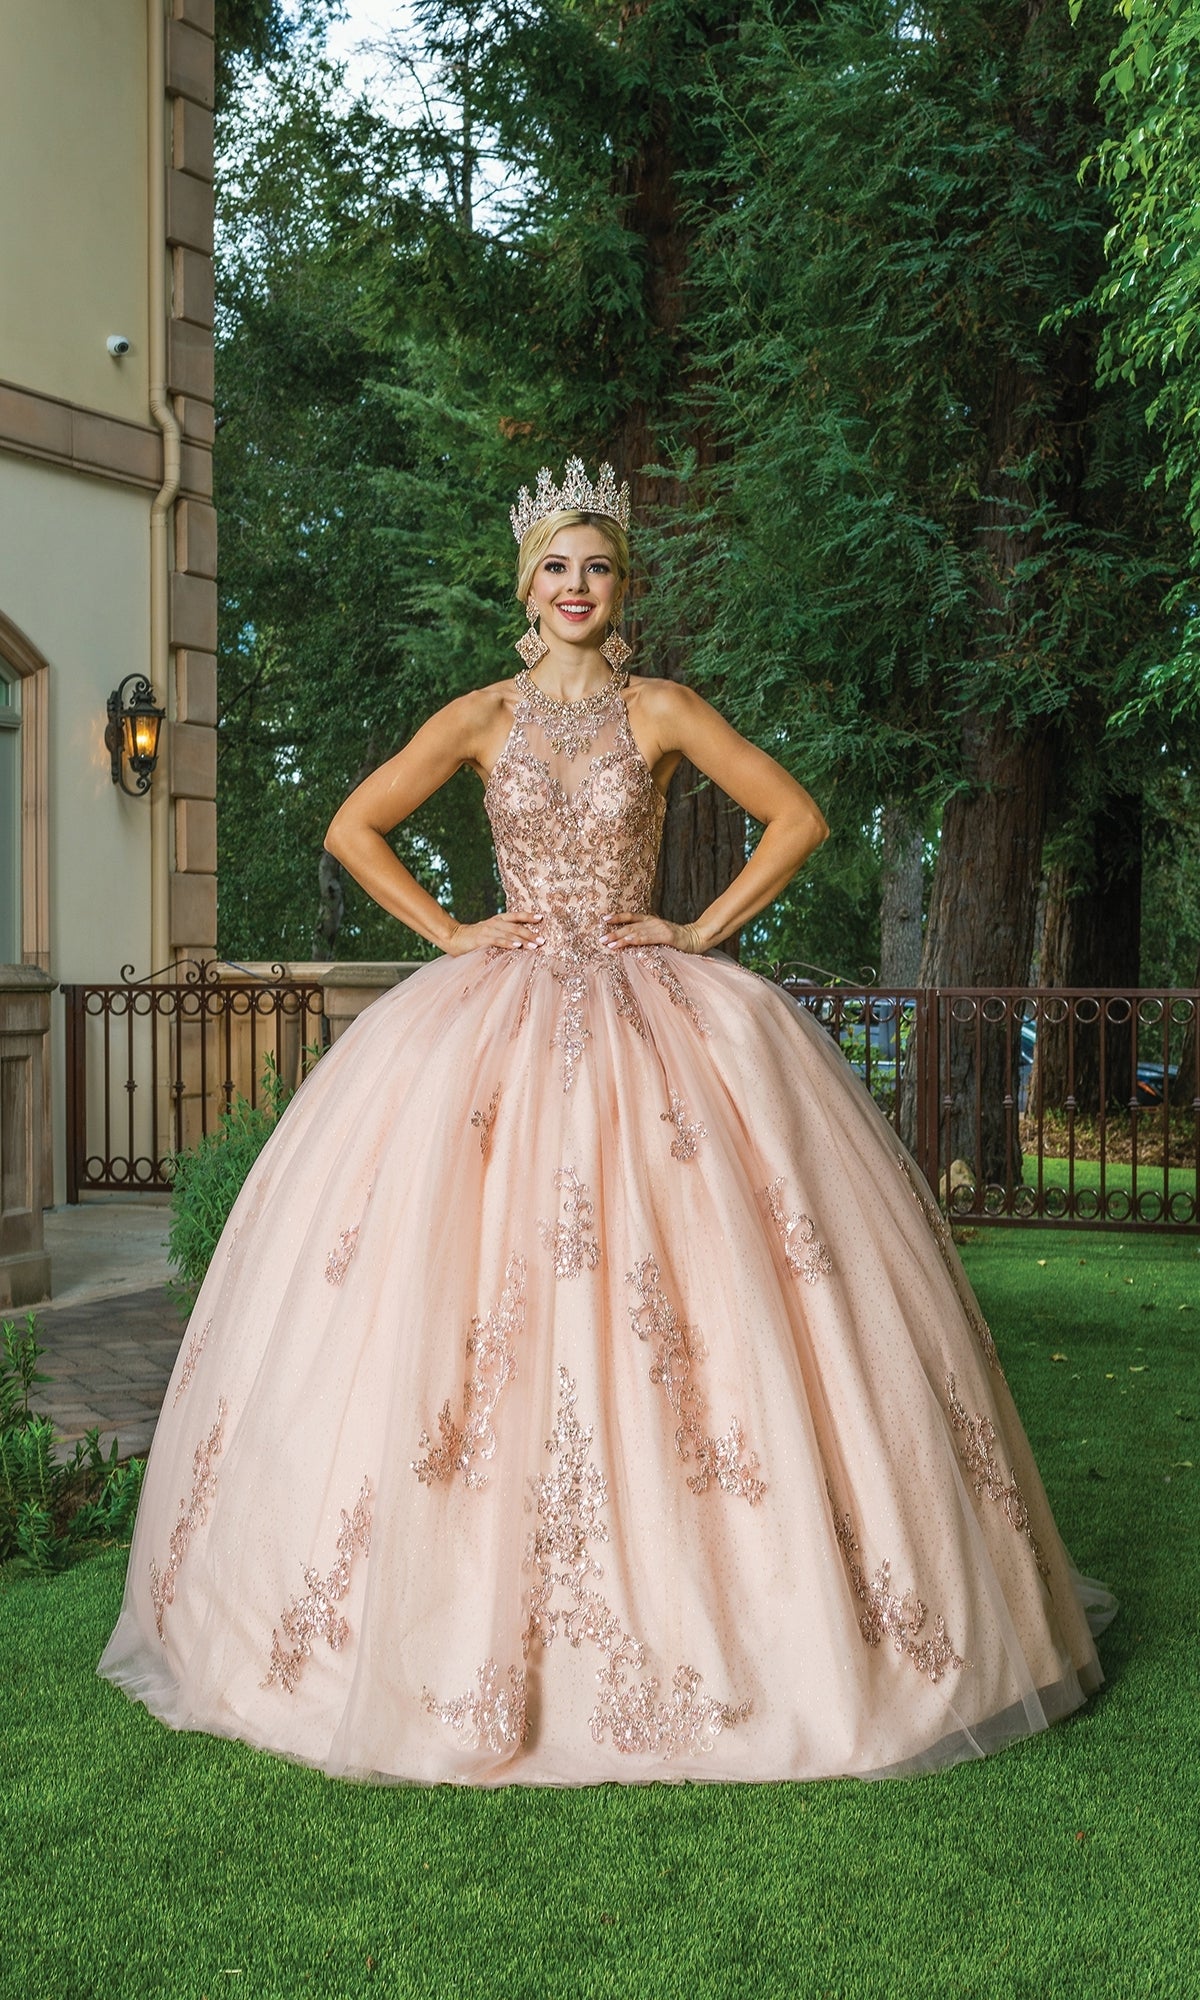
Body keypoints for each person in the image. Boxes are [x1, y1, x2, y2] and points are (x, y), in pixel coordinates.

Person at [99, 458, 1113, 1785]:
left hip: (654, 1013)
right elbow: (355, 828)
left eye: (598, 566)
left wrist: (695, 928)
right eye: (557, 566)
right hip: (498, 1012)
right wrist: (452, 931)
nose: (577, 587)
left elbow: (796, 817)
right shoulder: (475, 717)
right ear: (527, 585)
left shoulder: (665, 709)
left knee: (700, 1286)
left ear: (621, 585)